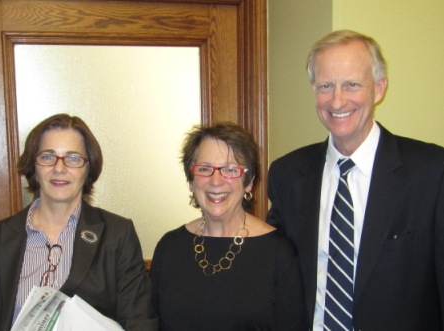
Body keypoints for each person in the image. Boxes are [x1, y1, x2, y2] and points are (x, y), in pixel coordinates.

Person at [267, 29, 444, 331]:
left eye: (351, 84)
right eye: (326, 86)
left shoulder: (432, 172)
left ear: (379, 88)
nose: (337, 101)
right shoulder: (287, 174)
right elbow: (275, 274)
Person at [0, 113, 157, 331]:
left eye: (73, 158)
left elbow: (140, 322)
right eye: (48, 156)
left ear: (88, 169)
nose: (59, 168)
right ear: (34, 166)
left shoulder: (117, 235)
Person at [150, 122, 308, 330]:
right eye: (205, 169)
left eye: (230, 170)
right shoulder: (169, 247)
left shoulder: (279, 254)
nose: (216, 181)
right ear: (191, 180)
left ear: (249, 181)